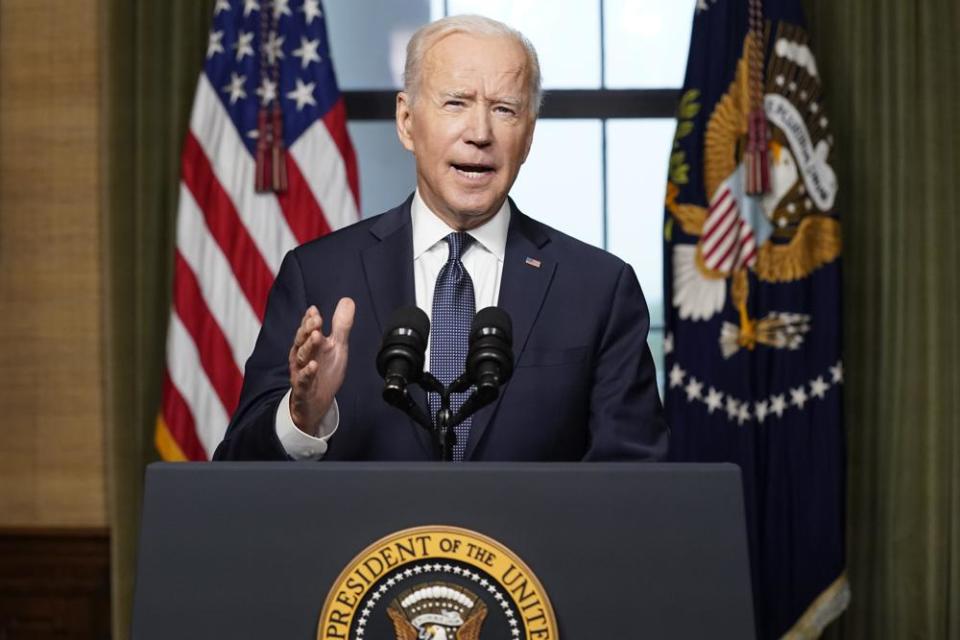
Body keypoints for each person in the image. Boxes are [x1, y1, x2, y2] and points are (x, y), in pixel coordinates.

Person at [213, 15, 668, 462]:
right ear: (407, 121)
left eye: (504, 109)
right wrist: (301, 416)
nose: (480, 133)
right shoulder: (318, 276)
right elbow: (238, 474)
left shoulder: (599, 289)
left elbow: (634, 488)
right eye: (456, 103)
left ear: (528, 136)